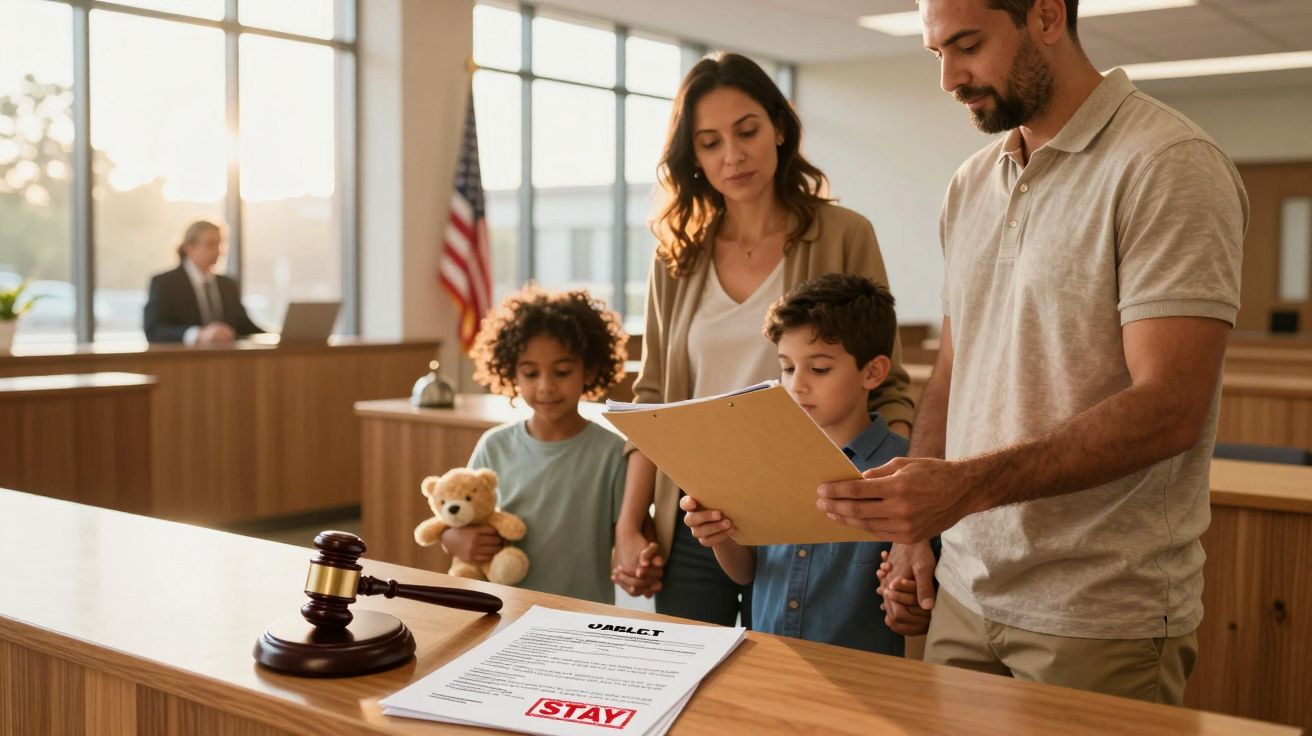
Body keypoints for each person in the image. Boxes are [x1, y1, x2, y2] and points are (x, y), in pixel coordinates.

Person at [817, 0, 1247, 704]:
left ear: (1047, 15)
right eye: (937, 54)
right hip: (964, 589)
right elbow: (955, 371)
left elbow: (1171, 407)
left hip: (1098, 611)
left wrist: (962, 490)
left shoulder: (1168, 165)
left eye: (967, 45)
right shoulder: (970, 183)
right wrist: (918, 535)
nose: (949, 78)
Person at [613, 52, 917, 627]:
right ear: (693, 157)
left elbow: (891, 386)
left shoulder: (846, 234)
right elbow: (651, 398)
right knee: (690, 687)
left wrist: (892, 516)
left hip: (812, 506)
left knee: (800, 679)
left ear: (779, 127)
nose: (733, 155)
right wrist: (630, 524)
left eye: (747, 130)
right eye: (709, 142)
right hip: (699, 510)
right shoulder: (676, 256)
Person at [682, 274, 919, 654]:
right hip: (771, 663)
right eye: (788, 368)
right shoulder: (766, 460)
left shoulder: (900, 474)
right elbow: (746, 572)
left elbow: (915, 604)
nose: (797, 385)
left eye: (819, 369)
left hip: (864, 678)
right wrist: (718, 534)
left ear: (873, 372)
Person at [441, 285, 644, 604]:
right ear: (512, 373)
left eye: (562, 371)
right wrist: (452, 539)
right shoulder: (494, 446)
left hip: (583, 616)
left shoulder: (612, 453)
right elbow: (459, 516)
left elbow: (634, 539)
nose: (546, 386)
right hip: (503, 611)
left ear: (588, 370)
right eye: (531, 373)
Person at [143, 220, 265, 344]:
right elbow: (154, 330)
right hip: (184, 361)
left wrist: (278, 337)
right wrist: (198, 334)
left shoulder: (227, 285)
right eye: (210, 244)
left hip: (226, 360)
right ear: (189, 247)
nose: (218, 251)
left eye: (220, 244)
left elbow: (245, 327)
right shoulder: (165, 283)